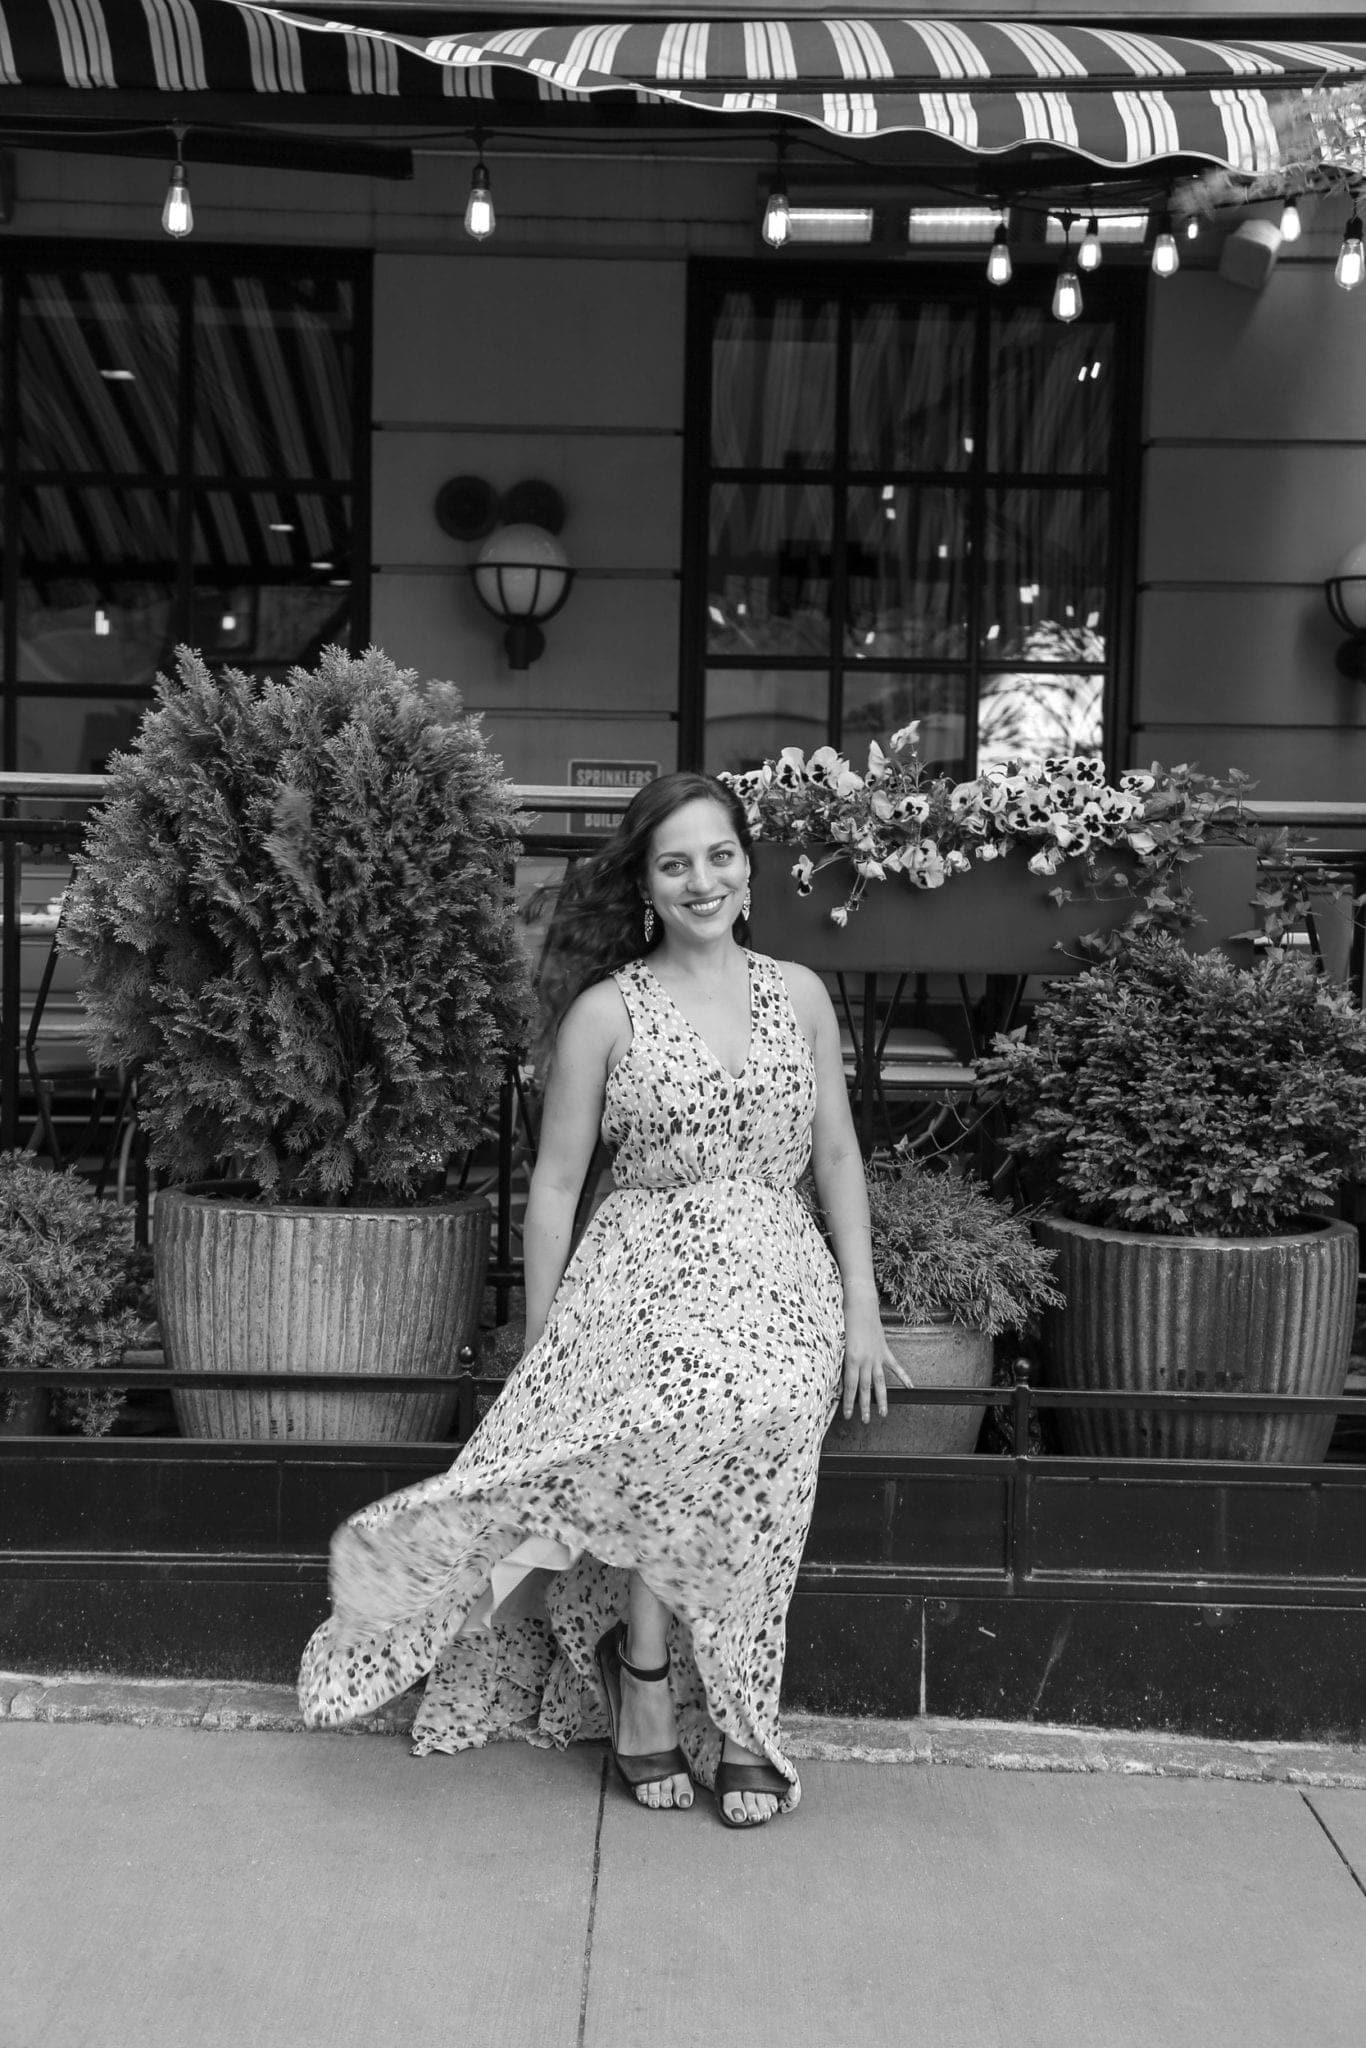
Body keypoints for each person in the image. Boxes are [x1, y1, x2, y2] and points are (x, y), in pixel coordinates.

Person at [298, 771, 895, 1828]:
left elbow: (838, 1154)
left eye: (718, 855)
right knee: (677, 1407)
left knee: (755, 1407)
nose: (701, 879)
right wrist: (540, 1339)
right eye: (675, 863)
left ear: (746, 867)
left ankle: (709, 1690)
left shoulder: (799, 991)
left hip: (775, 1262)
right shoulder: (603, 1012)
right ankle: (654, 1677)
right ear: (647, 886)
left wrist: (862, 1304)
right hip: (644, 1265)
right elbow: (558, 1187)